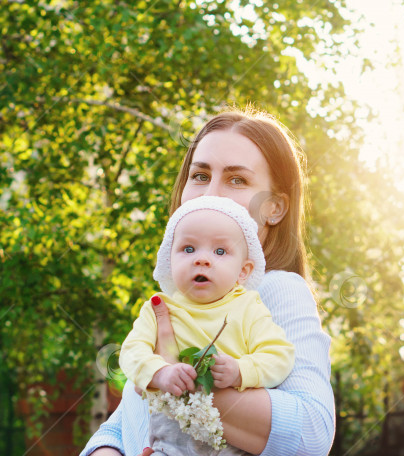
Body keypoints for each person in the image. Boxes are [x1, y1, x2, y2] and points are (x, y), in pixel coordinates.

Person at [81, 107, 335, 456]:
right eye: (200, 176)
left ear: (274, 208)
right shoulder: (174, 303)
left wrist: (180, 377)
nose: (210, 194)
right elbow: (123, 425)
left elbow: (312, 433)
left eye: (237, 180)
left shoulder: (276, 291)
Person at [119, 195, 295, 455]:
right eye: (188, 249)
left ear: (243, 272)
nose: (202, 259)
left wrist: (240, 370)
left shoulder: (248, 307)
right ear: (170, 260)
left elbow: (280, 356)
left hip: (230, 441)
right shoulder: (159, 309)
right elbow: (131, 351)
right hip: (171, 439)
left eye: (220, 251)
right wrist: (160, 373)